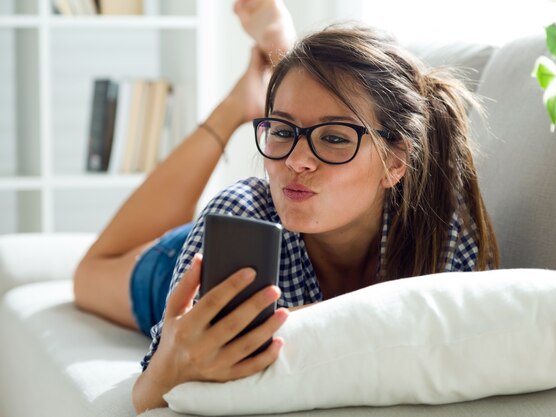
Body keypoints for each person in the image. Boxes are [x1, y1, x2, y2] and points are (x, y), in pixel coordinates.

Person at [77, 1, 500, 412]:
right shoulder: (237, 214)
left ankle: (278, 70)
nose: (296, 160)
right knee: (89, 275)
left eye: (334, 137)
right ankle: (239, 105)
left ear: (395, 163)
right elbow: (146, 394)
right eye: (281, 129)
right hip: (190, 258)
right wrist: (166, 370)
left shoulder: (440, 231)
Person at [73, 0, 296, 335]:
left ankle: (252, 94)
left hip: (218, 260)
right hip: (197, 260)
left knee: (91, 273)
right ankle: (274, 76)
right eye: (282, 129)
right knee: (89, 275)